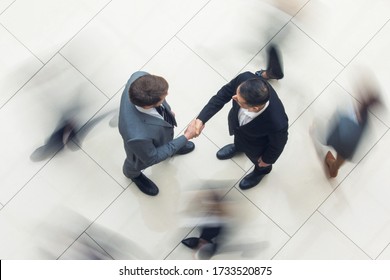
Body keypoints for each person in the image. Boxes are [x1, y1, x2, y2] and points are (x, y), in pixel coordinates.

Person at [194, 46, 288, 190]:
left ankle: (261, 172)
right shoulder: (245, 78)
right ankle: (238, 147)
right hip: (240, 129)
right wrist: (201, 119)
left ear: (255, 108)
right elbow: (222, 95)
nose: (233, 97)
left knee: (260, 162)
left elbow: (277, 145)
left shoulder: (277, 122)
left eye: (239, 100)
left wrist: (267, 161)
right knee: (239, 139)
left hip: (257, 145)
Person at [118, 71, 199, 196]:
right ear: (148, 106)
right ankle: (132, 175)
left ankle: (171, 148)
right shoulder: (136, 136)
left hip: (155, 133)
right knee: (135, 162)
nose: (166, 97)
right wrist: (186, 136)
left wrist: (167, 110)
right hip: (141, 148)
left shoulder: (139, 76)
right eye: (163, 98)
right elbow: (152, 157)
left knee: (162, 138)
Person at [324, 91, 381, 178]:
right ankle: (335, 167)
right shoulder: (364, 121)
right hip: (349, 147)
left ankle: (334, 168)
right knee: (343, 154)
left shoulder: (358, 119)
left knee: (342, 152)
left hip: (346, 144)